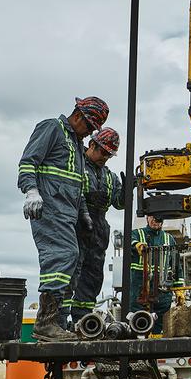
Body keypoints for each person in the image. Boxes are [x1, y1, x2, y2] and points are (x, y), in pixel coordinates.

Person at [18, 96, 109, 341]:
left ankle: (58, 322)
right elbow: (28, 162)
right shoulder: (52, 128)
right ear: (78, 116)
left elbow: (77, 185)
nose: (90, 132)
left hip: (68, 214)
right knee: (63, 256)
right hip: (48, 208)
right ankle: (46, 323)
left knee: (74, 261)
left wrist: (85, 214)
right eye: (89, 126)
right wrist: (31, 191)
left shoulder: (77, 144)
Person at [64, 128, 124, 327]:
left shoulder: (110, 177)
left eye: (109, 154)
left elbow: (119, 203)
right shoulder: (76, 165)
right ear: (92, 145)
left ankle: (83, 318)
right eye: (103, 152)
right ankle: (62, 319)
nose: (105, 158)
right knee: (72, 271)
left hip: (99, 228)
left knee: (93, 274)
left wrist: (127, 190)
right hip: (77, 222)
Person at [129, 214, 184, 334]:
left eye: (158, 219)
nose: (155, 221)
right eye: (152, 218)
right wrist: (136, 245)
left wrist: (179, 289)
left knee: (159, 325)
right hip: (140, 289)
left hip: (162, 291)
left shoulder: (169, 239)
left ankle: (155, 345)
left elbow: (176, 267)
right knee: (138, 323)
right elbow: (128, 241)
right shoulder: (137, 234)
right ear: (147, 218)